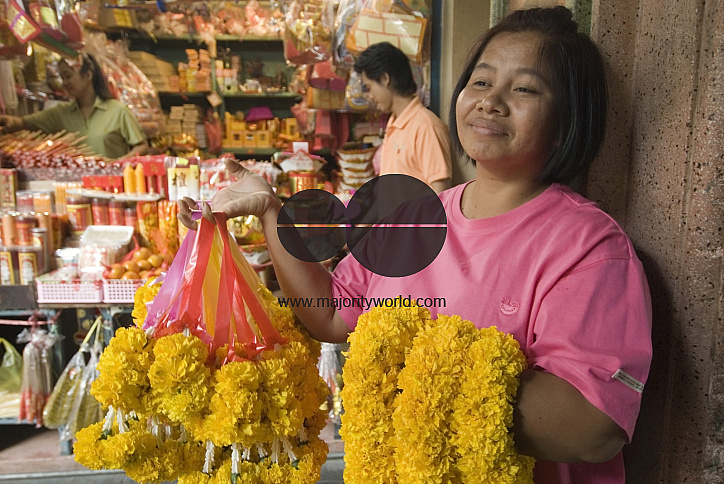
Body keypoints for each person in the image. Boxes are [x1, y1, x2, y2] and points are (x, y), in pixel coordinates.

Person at [179, 7, 652, 483]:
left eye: (524, 89)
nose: (491, 103)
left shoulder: (588, 247)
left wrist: (411, 368)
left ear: (569, 117)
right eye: (481, 82)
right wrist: (271, 213)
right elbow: (330, 314)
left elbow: (594, 427)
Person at [0, 53, 148, 160]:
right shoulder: (61, 114)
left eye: (68, 76)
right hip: (77, 190)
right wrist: (10, 122)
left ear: (88, 76)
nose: (64, 83)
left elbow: (141, 145)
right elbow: (24, 123)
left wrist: (122, 163)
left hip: (113, 186)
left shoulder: (117, 111)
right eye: (62, 77)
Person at [354, 42, 453, 193]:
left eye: (369, 87)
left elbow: (441, 195)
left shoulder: (427, 127)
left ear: (385, 79)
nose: (369, 96)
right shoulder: (394, 123)